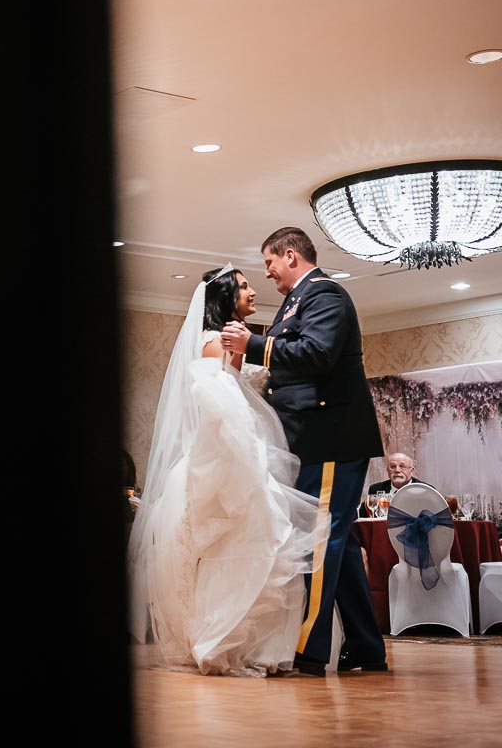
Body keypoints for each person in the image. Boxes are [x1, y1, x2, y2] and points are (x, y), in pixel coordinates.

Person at [128, 264, 320, 677]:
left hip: (244, 452)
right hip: (227, 456)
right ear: (225, 297)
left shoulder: (233, 341)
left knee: (260, 546)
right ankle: (223, 639)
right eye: (245, 286)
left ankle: (256, 644)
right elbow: (222, 407)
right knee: (235, 547)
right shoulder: (213, 341)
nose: (253, 290)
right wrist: (247, 460)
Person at [220, 227, 388, 676]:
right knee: (340, 542)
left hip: (331, 436)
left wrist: (253, 345)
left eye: (270, 264)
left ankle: (308, 648)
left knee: (321, 540)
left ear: (290, 255)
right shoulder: (297, 302)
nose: (268, 274)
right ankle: (367, 645)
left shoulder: (326, 294)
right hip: (312, 438)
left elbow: (317, 354)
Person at [358, 452, 433, 518]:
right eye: (393, 466)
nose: (397, 470)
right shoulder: (376, 489)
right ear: (387, 470)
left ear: (412, 471)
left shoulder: (425, 490)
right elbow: (361, 515)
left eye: (402, 466)